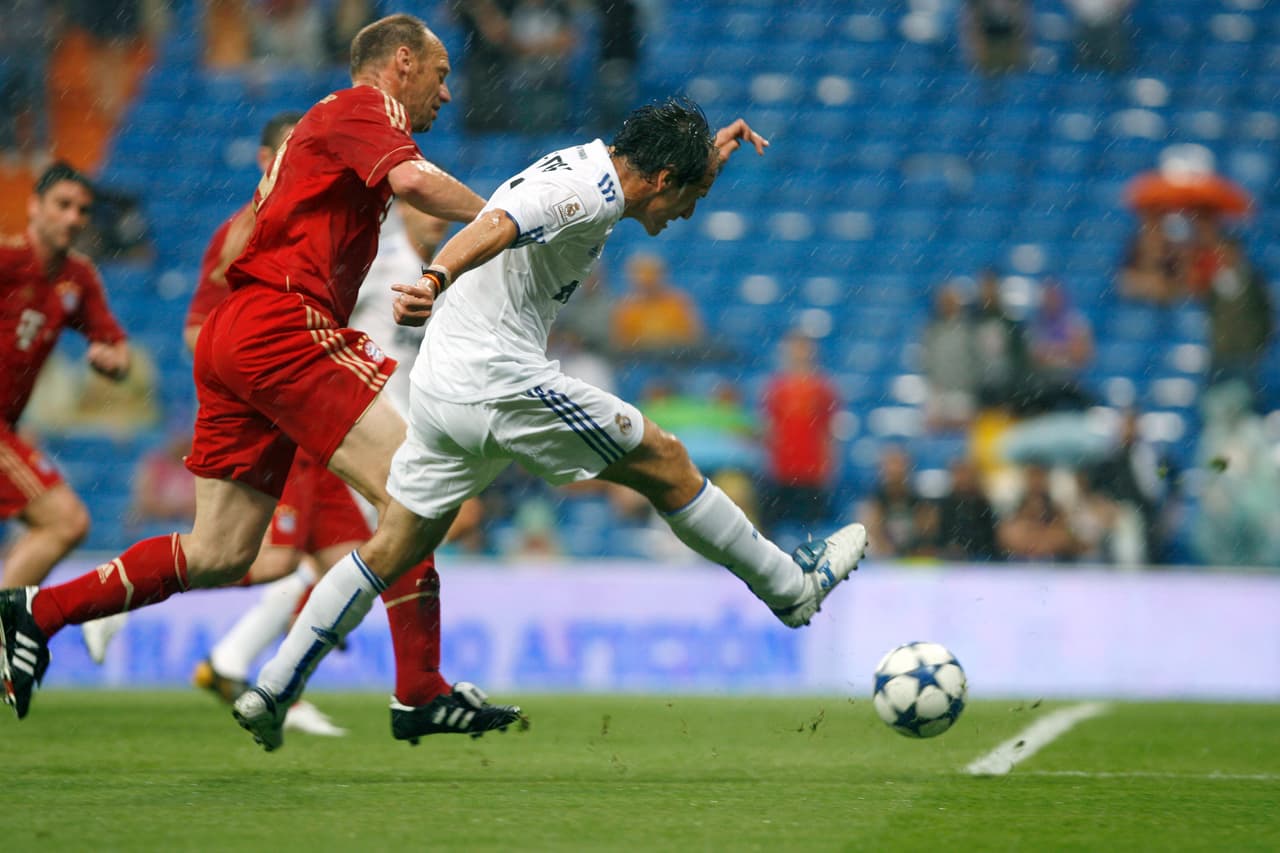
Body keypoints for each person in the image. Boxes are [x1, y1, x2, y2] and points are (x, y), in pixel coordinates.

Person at [233, 98, 868, 752]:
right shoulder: (583, 193)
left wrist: (708, 154)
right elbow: (500, 223)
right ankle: (791, 590)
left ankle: (273, 685)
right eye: (688, 199)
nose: (687, 215)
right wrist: (434, 276)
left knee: (391, 547)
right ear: (661, 180)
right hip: (496, 380)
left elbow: (578, 199)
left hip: (444, 388)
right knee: (666, 461)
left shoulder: (606, 170)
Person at [0, 16, 523, 741]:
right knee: (418, 488)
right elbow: (412, 181)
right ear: (401, 62)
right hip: (284, 325)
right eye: (440, 73)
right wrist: (510, 216)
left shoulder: (333, 128)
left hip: (240, 331)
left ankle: (39, 611)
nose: (448, 90)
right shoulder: (365, 106)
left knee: (220, 552)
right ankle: (421, 688)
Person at [760, 331, 840, 530]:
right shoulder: (776, 389)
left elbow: (829, 433)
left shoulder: (823, 389)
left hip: (813, 472)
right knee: (774, 528)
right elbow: (769, 430)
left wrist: (829, 467)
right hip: (782, 472)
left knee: (813, 528)